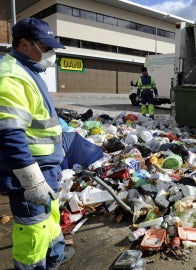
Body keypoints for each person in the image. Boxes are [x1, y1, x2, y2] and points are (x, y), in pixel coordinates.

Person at [0, 18, 73, 269]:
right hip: (30, 174)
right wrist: (32, 180)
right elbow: (9, 134)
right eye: (45, 46)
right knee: (32, 232)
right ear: (24, 44)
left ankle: (53, 260)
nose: (51, 53)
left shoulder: (30, 70)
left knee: (49, 221)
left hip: (47, 170)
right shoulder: (12, 76)